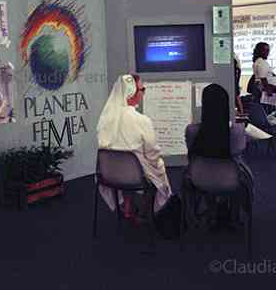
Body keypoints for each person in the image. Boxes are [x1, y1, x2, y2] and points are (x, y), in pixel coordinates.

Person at [96, 74, 172, 221]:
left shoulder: (104, 120)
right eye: (142, 89)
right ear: (131, 94)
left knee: (129, 165)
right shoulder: (142, 121)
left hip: (109, 175)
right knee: (156, 170)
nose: (143, 92)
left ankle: (127, 206)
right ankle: (146, 211)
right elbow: (152, 155)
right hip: (136, 176)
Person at [186, 84, 254, 227]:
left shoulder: (192, 131)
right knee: (239, 171)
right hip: (231, 181)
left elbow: (191, 154)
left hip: (200, 180)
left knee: (209, 169)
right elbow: (239, 153)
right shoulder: (237, 131)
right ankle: (234, 216)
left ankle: (212, 212)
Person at [252, 42, 276, 107]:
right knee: (267, 110)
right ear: (259, 51)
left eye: (268, 50)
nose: (267, 52)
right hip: (265, 90)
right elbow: (263, 78)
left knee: (265, 109)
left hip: (264, 89)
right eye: (265, 50)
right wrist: (269, 91)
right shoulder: (261, 62)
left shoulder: (259, 61)